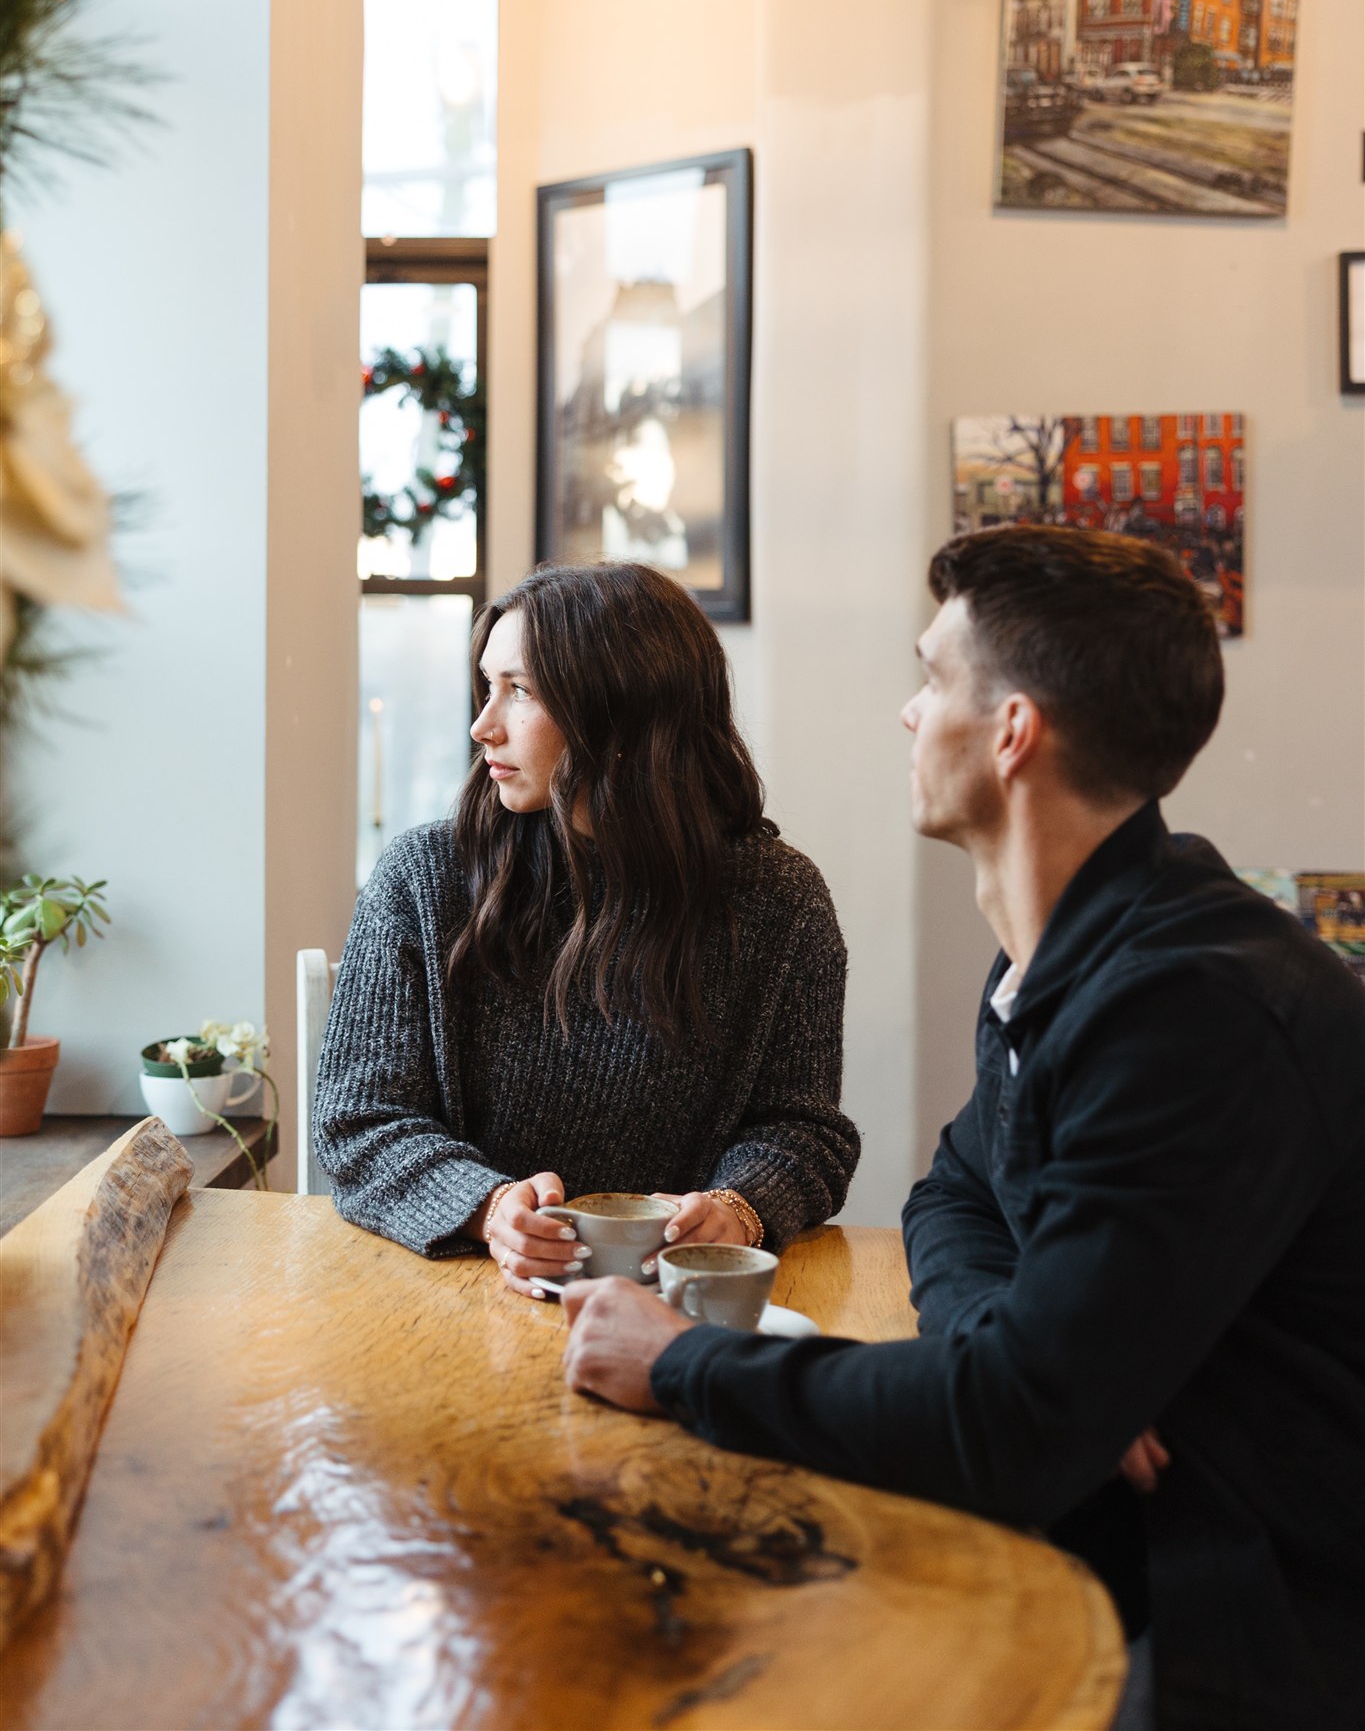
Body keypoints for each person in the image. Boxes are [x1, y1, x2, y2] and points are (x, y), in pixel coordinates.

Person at [561, 527, 1365, 1731]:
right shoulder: (1069, 951)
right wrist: (1038, 1354)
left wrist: (679, 1362)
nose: (907, 711)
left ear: (1012, 732)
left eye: (932, 677)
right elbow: (954, 1195)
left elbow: (1015, 1427)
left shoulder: (1195, 1005)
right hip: (1111, 1535)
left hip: (1250, 1615)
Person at [314, 560, 859, 1293]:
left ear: (620, 711)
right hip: (450, 1291)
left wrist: (740, 1208)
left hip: (677, 1307)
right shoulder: (422, 877)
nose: (482, 726)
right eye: (486, 686)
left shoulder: (780, 900)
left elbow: (805, 1130)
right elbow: (358, 1119)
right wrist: (486, 1208)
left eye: (519, 691)